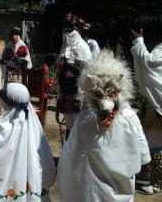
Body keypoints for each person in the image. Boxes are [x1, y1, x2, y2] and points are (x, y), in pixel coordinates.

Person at [57, 50, 150, 202]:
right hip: (115, 190)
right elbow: (144, 156)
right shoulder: (129, 117)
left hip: (91, 192)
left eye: (110, 92)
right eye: (99, 93)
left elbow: (69, 157)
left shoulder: (84, 119)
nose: (106, 99)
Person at [0, 82, 56, 202]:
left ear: (7, 102)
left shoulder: (7, 127)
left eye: (2, 98)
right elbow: (47, 163)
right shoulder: (34, 126)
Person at [130, 13, 162, 195]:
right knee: (150, 140)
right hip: (152, 103)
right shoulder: (157, 48)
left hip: (158, 104)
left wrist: (139, 42)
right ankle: (148, 174)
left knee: (157, 142)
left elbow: (149, 63)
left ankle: (157, 182)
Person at [56, 13, 92, 137]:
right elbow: (60, 73)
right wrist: (60, 95)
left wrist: (79, 98)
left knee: (78, 131)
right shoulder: (63, 47)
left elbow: (86, 75)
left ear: (76, 29)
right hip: (65, 93)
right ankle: (67, 154)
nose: (67, 32)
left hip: (77, 97)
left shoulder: (83, 48)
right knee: (69, 128)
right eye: (65, 29)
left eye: (70, 29)